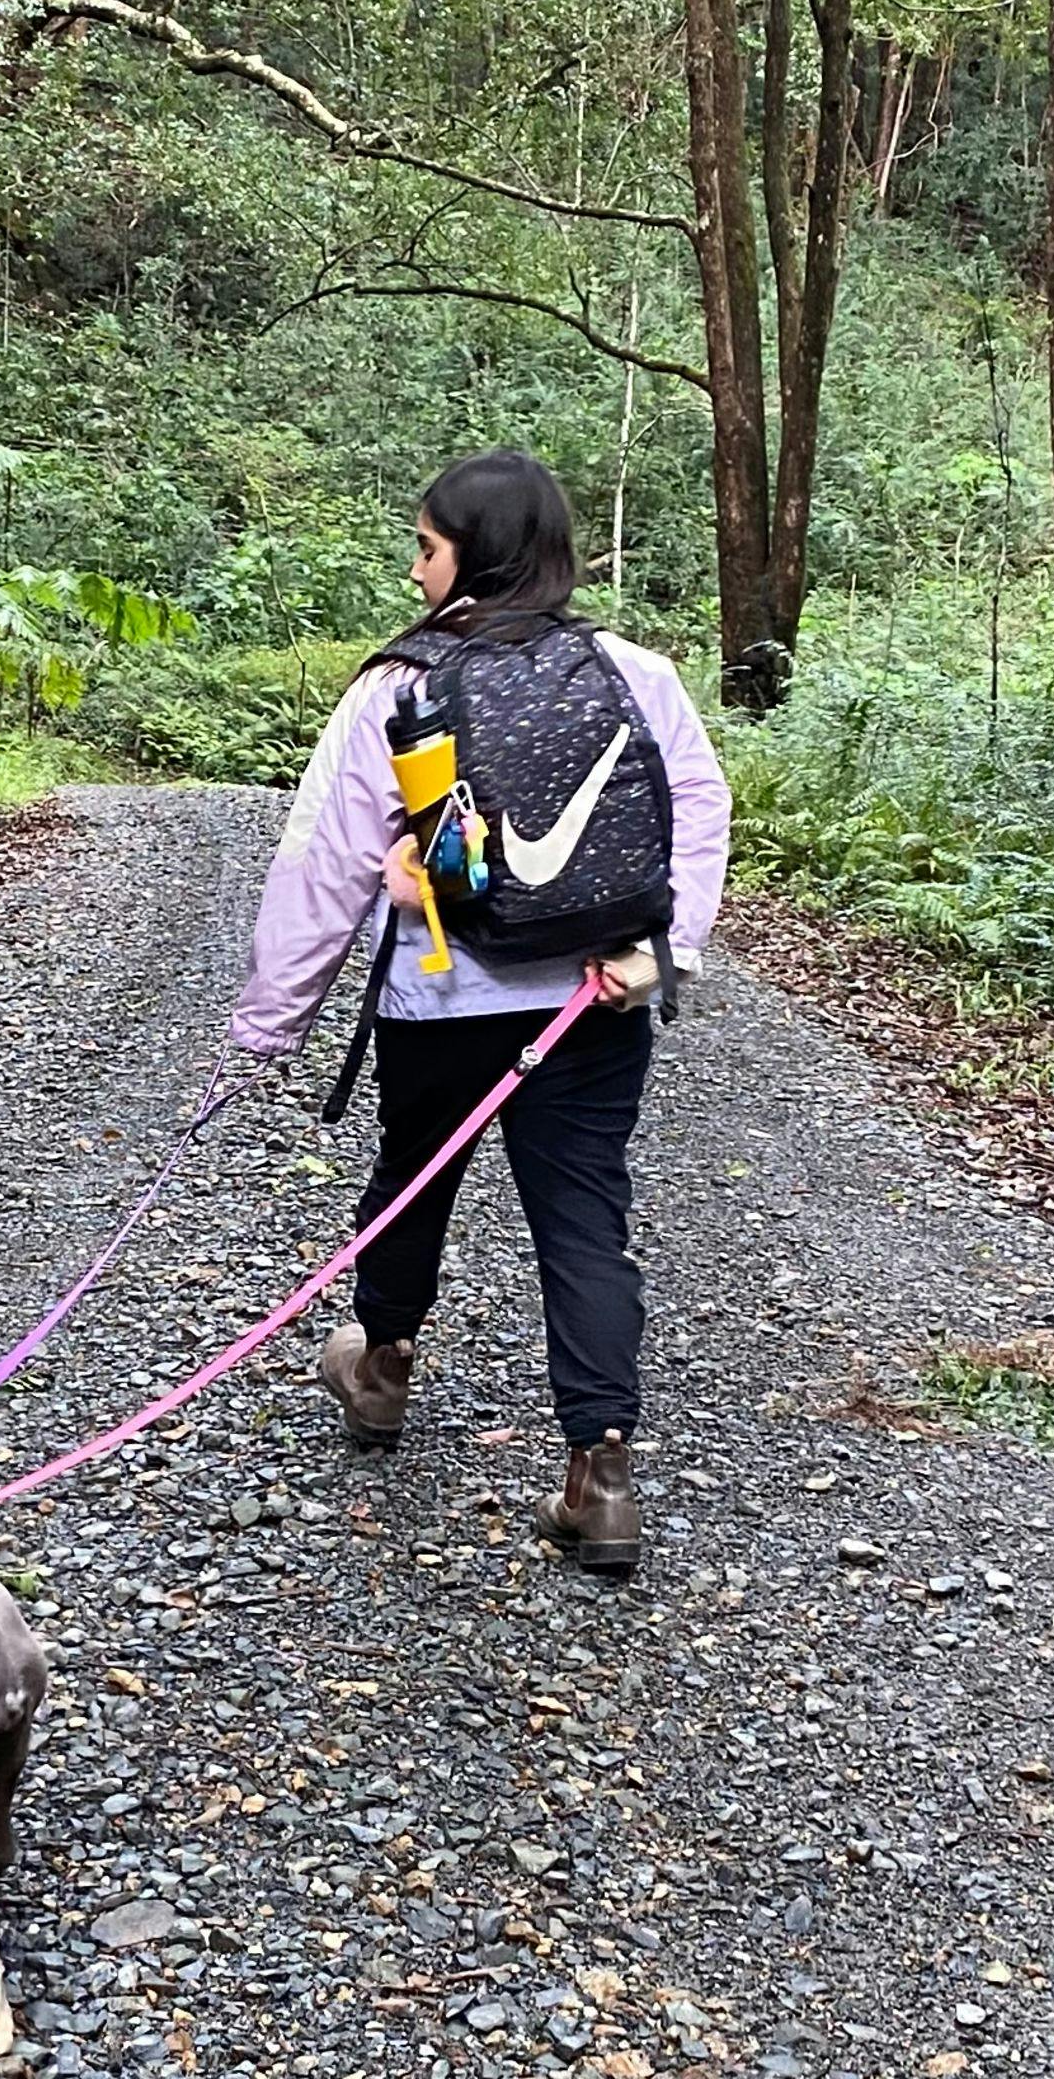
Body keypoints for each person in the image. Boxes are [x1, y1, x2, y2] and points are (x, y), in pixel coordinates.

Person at [221, 449, 731, 1574]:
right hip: (593, 1000)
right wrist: (663, 952)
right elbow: (695, 806)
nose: (415, 573)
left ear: (475, 553)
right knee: (585, 1218)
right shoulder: (634, 671)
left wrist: (269, 1024)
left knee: (414, 1174)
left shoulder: (395, 689)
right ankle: (600, 1475)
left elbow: (323, 867)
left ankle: (382, 1370)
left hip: (440, 997)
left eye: (426, 546)